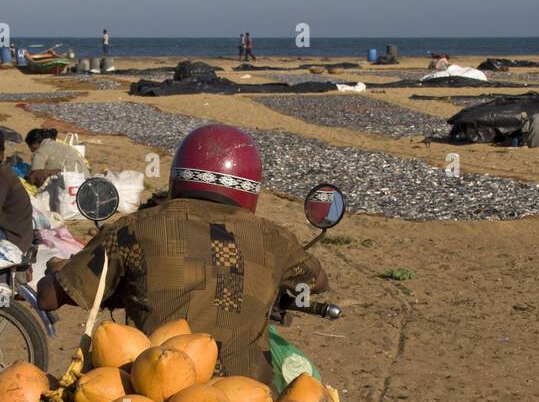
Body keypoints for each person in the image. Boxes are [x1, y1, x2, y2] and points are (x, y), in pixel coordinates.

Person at [37, 124, 327, 382]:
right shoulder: (275, 239)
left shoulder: (133, 229)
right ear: (250, 187)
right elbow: (315, 281)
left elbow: (49, 298)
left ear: (179, 174)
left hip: (152, 399)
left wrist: (57, 270)